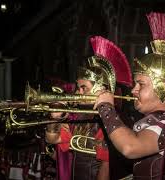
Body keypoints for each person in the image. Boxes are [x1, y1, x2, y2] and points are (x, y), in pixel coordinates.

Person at [94, 12, 165, 179]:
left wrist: (106, 107)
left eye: (140, 84)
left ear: (161, 88)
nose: (133, 90)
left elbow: (130, 147)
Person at [45, 36, 133, 180]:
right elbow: (53, 139)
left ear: (101, 89)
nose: (78, 92)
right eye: (78, 88)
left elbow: (106, 166)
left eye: (83, 88)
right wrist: (54, 118)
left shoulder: (108, 120)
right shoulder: (79, 117)